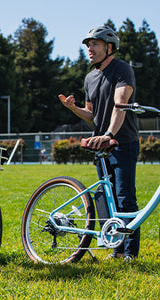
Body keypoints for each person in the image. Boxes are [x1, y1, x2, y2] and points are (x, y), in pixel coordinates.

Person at [58, 26, 140, 261]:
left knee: (125, 197)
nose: (89, 49)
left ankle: (129, 253)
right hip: (100, 146)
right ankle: (115, 248)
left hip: (122, 142)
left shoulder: (122, 69)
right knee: (106, 195)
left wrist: (110, 134)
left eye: (94, 44)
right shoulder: (90, 77)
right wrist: (74, 109)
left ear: (109, 47)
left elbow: (120, 103)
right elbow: (91, 115)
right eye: (88, 45)